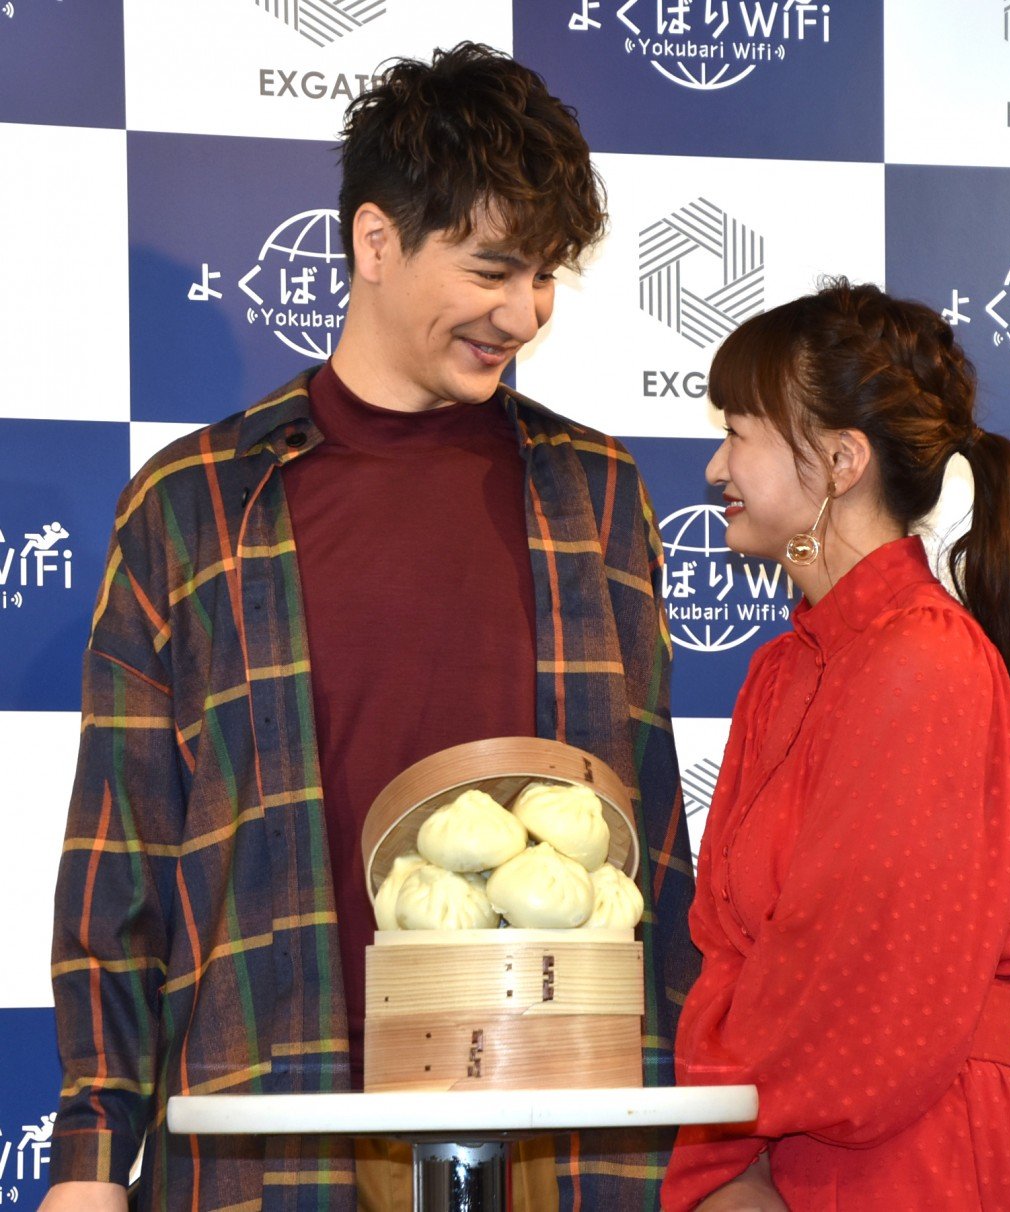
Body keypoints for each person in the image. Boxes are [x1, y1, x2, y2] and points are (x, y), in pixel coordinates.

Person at [42, 43, 697, 1212]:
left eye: (545, 274)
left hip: (561, 1134)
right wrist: (93, 1158)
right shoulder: (193, 506)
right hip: (276, 1129)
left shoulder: (597, 492)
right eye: (492, 268)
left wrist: (703, 1130)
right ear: (377, 241)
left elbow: (646, 845)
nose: (523, 313)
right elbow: (119, 860)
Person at [661, 280, 1010, 1211]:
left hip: (904, 1164)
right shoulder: (782, 669)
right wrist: (725, 1162)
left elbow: (865, 985)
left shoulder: (924, 660)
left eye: (739, 432)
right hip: (775, 1155)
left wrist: (724, 1145)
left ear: (842, 461)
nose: (717, 467)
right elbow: (723, 947)